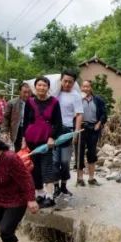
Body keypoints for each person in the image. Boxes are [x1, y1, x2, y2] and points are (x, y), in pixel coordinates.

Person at [22, 76, 63, 208]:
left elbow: (58, 123)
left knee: (47, 167)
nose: (41, 87)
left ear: (48, 88)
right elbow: (26, 122)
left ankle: (50, 196)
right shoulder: (30, 102)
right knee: (35, 168)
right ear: (35, 87)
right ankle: (39, 193)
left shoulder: (54, 102)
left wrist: (52, 137)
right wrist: (23, 140)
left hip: (46, 140)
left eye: (44, 85)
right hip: (31, 139)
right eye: (39, 85)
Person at [51, 70, 83, 199]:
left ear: (74, 82)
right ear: (61, 81)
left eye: (70, 81)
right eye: (65, 81)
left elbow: (79, 114)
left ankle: (64, 185)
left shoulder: (76, 95)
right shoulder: (54, 94)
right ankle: (56, 187)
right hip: (53, 130)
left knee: (64, 161)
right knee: (54, 161)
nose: (67, 83)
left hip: (68, 130)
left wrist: (76, 132)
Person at [76, 79, 108, 186]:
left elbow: (104, 114)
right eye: (83, 87)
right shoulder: (77, 99)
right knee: (79, 153)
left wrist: (99, 124)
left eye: (87, 87)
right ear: (81, 88)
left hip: (93, 128)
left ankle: (91, 178)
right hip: (81, 128)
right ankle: (80, 178)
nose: (85, 89)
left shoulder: (97, 100)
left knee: (92, 153)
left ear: (91, 88)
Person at [3, 83, 31, 148]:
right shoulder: (12, 103)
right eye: (24, 92)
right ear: (20, 92)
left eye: (28, 92)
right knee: (19, 150)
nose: (27, 95)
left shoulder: (34, 103)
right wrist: (5, 131)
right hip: (18, 130)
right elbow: (6, 118)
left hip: (30, 130)